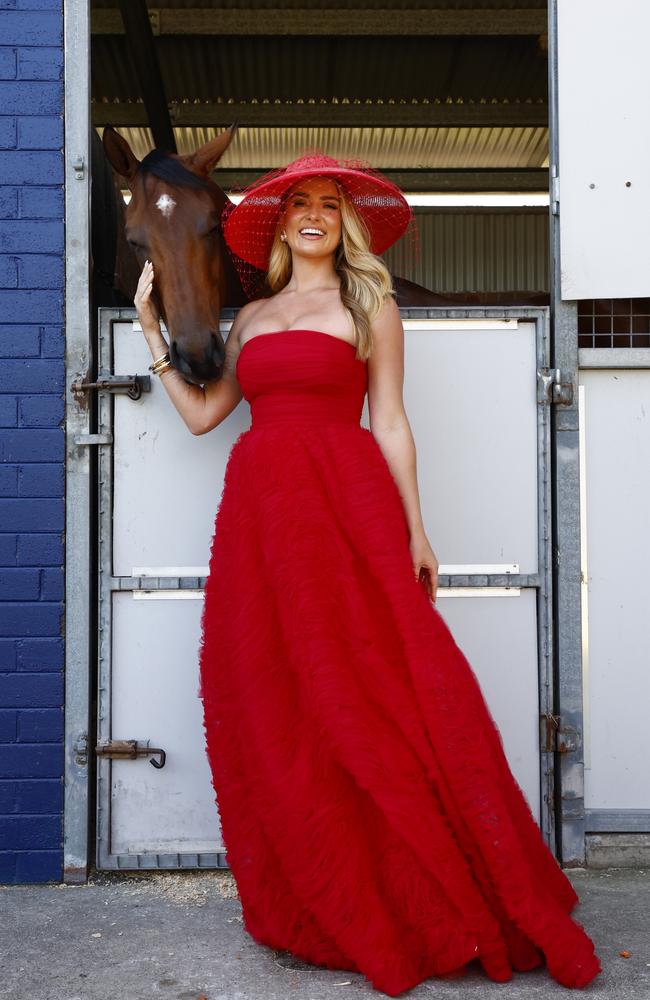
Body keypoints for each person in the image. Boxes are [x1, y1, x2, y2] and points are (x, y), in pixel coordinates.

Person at [134, 153, 602, 997]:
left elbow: (389, 421)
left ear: (342, 224)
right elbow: (207, 418)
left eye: (326, 204)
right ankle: (324, 878)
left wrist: (417, 529)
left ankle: (427, 884)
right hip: (262, 519)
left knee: (376, 689)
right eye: (298, 205)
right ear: (278, 228)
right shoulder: (250, 318)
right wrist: (154, 339)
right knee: (281, 692)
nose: (312, 214)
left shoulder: (368, 305)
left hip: (346, 510)